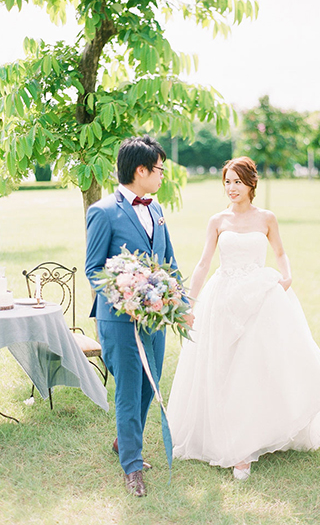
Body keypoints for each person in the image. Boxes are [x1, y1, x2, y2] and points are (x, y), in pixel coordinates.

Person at [167, 156, 320, 481]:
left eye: (237, 181)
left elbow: (280, 252)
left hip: (260, 296)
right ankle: (235, 444)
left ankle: (257, 437)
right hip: (223, 297)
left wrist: (287, 276)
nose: (231, 188)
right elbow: (204, 264)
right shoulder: (217, 220)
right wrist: (189, 303)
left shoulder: (267, 218)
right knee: (224, 367)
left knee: (257, 366)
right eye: (227, 182)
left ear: (251, 183)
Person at [85, 135, 193, 498]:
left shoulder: (157, 210)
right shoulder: (102, 211)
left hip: (157, 318)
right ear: (141, 170)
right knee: (129, 391)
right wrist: (126, 297)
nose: (163, 175)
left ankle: (123, 440)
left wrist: (180, 304)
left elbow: (170, 263)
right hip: (119, 320)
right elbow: (93, 269)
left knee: (151, 385)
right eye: (160, 168)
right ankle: (132, 465)